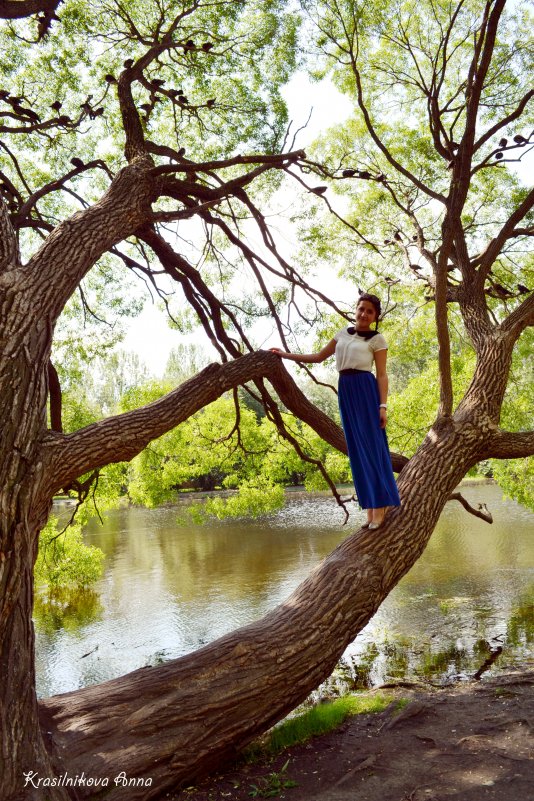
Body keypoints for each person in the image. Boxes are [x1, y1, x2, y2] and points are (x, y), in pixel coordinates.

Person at [270, 293, 400, 529]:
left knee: (372, 448)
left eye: (369, 311)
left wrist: (383, 406)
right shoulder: (342, 333)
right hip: (347, 391)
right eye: (361, 309)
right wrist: (284, 355)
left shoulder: (377, 340)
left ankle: (380, 508)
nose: (363, 314)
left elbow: (382, 375)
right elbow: (318, 357)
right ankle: (370, 509)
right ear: (356, 309)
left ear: (375, 316)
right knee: (358, 452)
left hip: (366, 391)